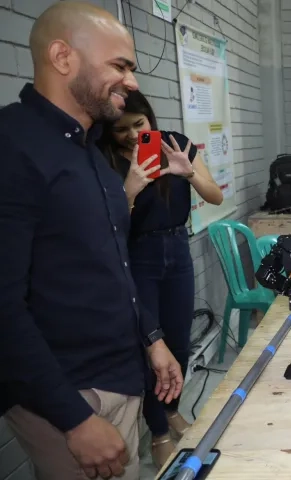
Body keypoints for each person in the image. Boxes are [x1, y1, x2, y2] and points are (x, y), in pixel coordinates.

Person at [0, 2, 184, 480]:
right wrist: (74, 419)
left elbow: (111, 266)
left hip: (119, 376)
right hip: (72, 394)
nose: (133, 82)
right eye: (119, 66)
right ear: (63, 58)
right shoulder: (13, 146)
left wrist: (152, 339)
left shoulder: (90, 152)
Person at [97, 90, 223, 467]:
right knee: (152, 350)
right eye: (122, 130)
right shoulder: (104, 158)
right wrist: (131, 186)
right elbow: (111, 226)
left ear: (150, 118)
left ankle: (169, 410)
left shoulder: (175, 146)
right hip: (137, 257)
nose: (134, 136)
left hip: (177, 249)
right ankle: (159, 433)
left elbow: (215, 196)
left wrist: (189, 174)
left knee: (179, 344)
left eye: (139, 125)